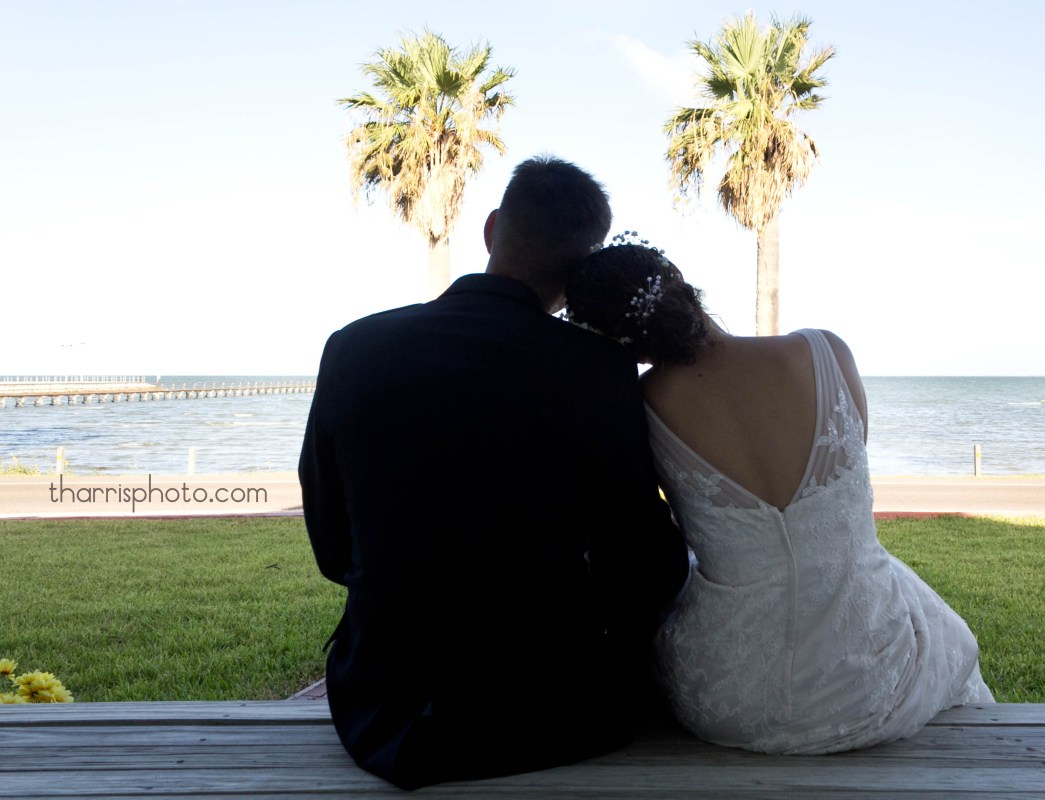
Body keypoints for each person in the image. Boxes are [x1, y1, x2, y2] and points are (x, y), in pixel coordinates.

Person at [300, 158, 689, 789]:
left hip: (379, 706)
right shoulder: (596, 369)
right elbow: (643, 562)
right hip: (544, 713)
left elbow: (329, 538)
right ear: (583, 267)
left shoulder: (353, 345)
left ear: (490, 229)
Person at [563, 239, 994, 755]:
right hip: (871, 680)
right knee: (894, 584)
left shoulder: (643, 403)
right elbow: (848, 496)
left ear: (625, 344)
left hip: (730, 695)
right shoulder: (824, 352)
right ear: (676, 274)